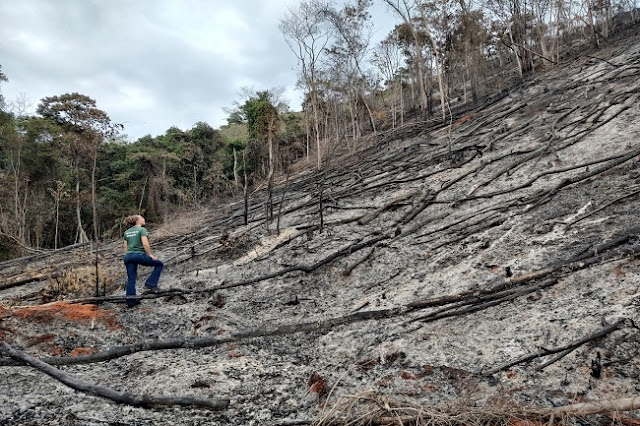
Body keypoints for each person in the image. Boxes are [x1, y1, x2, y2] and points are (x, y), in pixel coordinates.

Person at [122, 214, 163, 307]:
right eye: (142, 218)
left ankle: (131, 301)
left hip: (128, 256)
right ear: (138, 221)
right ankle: (151, 283)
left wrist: (129, 255)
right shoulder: (142, 230)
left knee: (131, 280)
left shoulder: (127, 232)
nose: (144, 219)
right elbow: (145, 243)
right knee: (159, 264)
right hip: (138, 255)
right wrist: (150, 255)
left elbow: (125, 247)